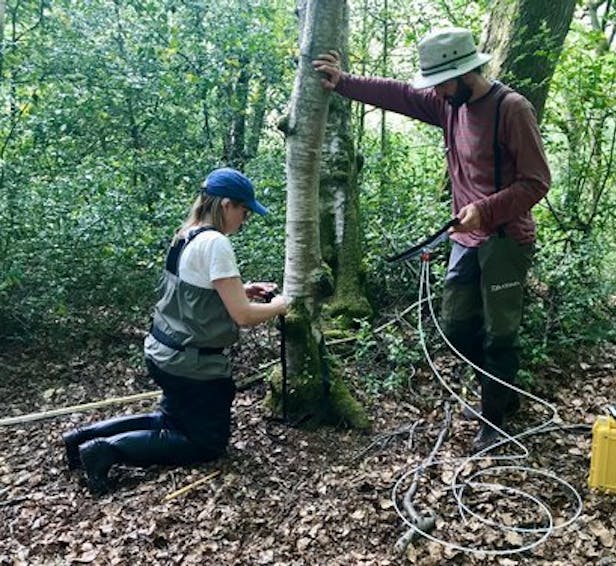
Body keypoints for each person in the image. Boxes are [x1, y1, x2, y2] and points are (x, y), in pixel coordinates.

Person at [314, 28, 550, 452]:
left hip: (505, 240)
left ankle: (493, 420)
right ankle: (502, 391)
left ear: (466, 73)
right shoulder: (449, 104)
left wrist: (486, 209)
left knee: (500, 334)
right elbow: (400, 95)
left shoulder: (511, 109)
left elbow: (537, 182)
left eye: (443, 81)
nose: (437, 90)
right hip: (466, 240)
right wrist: (344, 83)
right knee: (457, 327)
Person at [62, 167, 289, 495]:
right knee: (207, 443)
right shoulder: (216, 243)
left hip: (163, 351)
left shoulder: (188, 233)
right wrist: (282, 305)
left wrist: (244, 288)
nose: (245, 218)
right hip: (190, 364)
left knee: (172, 420)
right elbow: (242, 316)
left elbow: (200, 292)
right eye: (243, 210)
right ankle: (106, 452)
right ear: (226, 204)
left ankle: (81, 439)